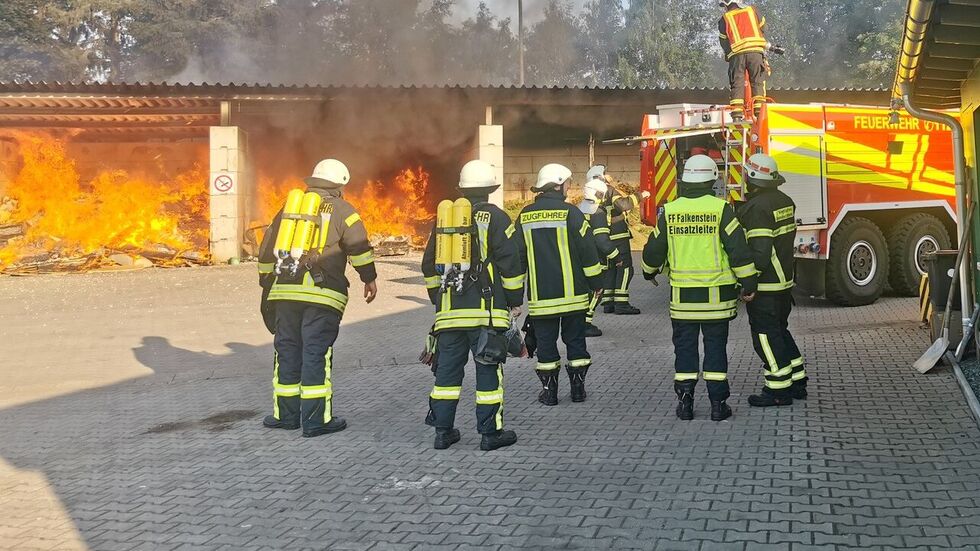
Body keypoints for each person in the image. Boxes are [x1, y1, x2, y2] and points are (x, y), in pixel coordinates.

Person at [257, 159, 378, 437]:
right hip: (323, 295)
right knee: (315, 353)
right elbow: (358, 248)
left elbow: (266, 251)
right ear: (339, 184)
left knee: (286, 350)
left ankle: (285, 416)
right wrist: (368, 278)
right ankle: (315, 420)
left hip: (284, 292)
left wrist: (266, 282)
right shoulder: (344, 211)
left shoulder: (288, 210)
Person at [641, 155, 757, 421]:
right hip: (717, 301)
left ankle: (685, 405)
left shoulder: (670, 211)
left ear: (684, 179)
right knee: (716, 349)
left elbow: (654, 251)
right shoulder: (721, 209)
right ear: (713, 179)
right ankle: (718, 406)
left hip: (683, 302)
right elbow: (738, 250)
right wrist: (749, 283)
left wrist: (648, 273)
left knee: (684, 350)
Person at [420, 160, 523, 451]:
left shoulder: (445, 220)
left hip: (449, 316)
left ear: (462, 190)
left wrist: (439, 301)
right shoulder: (498, 218)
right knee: (488, 372)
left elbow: (429, 265)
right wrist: (515, 301)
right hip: (485, 316)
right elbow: (511, 265)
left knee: (446, 376)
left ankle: (443, 432)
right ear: (490, 190)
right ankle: (490, 434)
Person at [515, 163, 605, 406]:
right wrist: (597, 282)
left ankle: (549, 393)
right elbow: (588, 252)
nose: (568, 187)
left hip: (541, 299)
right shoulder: (572, 213)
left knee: (546, 347)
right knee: (575, 342)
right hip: (573, 296)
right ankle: (578, 391)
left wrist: (513, 297)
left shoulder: (524, 216)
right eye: (567, 183)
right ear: (558, 184)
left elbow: (518, 258)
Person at [736, 153, 807, 406]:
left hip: (766, 285)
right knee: (780, 331)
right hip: (784, 282)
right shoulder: (784, 200)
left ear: (753, 178)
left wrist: (748, 284)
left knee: (765, 337)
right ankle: (798, 381)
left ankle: (778, 390)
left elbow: (760, 253)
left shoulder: (757, 209)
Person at [589, 165, 649, 316]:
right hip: (617, 236)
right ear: (601, 176)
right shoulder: (608, 189)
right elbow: (622, 205)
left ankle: (609, 301)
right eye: (606, 173)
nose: (609, 176)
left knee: (610, 269)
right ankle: (621, 303)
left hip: (603, 237)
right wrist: (640, 195)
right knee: (625, 268)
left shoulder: (592, 192)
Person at [577, 177, 618, 338]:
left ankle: (579, 321)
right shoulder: (598, 213)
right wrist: (616, 256)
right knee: (596, 291)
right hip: (595, 260)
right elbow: (602, 241)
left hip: (578, 259)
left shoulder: (577, 210)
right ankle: (585, 323)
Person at [718, 0, 771, 119]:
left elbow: (724, 41)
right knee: (757, 81)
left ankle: (736, 114)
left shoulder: (724, 18)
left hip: (737, 55)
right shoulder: (752, 10)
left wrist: (729, 55)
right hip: (755, 53)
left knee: (737, 83)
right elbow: (763, 27)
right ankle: (759, 113)